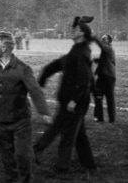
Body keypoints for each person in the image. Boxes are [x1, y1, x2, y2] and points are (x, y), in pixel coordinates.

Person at [0, 30, 50, 182]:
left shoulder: (22, 69)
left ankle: (25, 180)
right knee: (7, 157)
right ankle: (11, 179)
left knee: (22, 156)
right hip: (0, 121)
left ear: (4, 48)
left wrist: (44, 112)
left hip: (20, 122)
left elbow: (35, 91)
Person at [34, 15, 97, 173]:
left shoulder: (82, 52)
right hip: (71, 101)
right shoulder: (77, 50)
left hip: (74, 102)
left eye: (75, 29)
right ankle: (89, 164)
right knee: (78, 134)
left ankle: (61, 166)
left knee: (67, 134)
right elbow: (62, 63)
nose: (71, 30)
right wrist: (45, 74)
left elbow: (85, 80)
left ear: (82, 33)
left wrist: (74, 100)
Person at [93, 33, 117, 123]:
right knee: (98, 96)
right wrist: (96, 60)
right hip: (103, 76)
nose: (102, 40)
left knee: (109, 98)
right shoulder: (107, 50)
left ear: (109, 41)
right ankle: (99, 118)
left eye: (104, 39)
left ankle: (111, 119)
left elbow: (103, 49)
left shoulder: (108, 48)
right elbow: (104, 60)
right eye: (102, 38)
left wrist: (93, 36)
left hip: (108, 77)